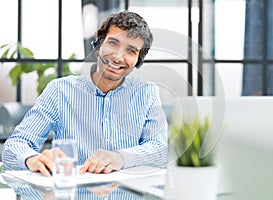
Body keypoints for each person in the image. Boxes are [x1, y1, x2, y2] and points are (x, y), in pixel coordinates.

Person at [2, 11, 168, 177]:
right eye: (113, 43)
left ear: (138, 60)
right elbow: (16, 144)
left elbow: (159, 150)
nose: (118, 57)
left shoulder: (147, 93)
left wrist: (121, 158)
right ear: (98, 43)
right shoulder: (60, 90)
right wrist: (32, 159)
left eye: (131, 51)